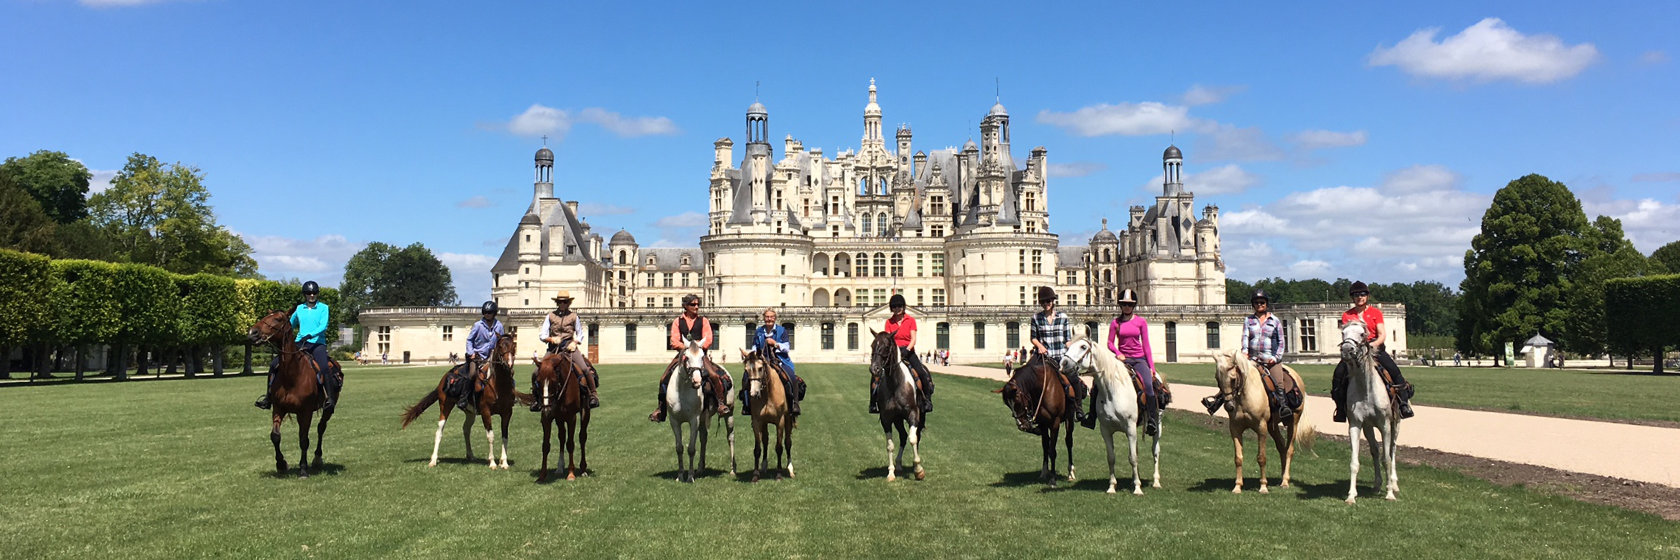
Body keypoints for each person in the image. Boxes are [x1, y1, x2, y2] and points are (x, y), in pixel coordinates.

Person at [1204, 289, 1298, 421]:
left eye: (1262, 302)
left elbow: (1281, 342)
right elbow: (1245, 338)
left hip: (1270, 360)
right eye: (1256, 302)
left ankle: (1283, 407)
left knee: (1278, 382)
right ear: (1253, 304)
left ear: (1266, 304)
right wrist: (1245, 353)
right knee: (1233, 378)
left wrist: (1275, 358)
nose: (1259, 304)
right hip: (1253, 360)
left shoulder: (1275, 321)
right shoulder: (1248, 320)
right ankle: (1217, 401)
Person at [1332, 281, 1415, 421]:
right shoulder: (1347, 315)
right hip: (1355, 352)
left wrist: (1372, 345)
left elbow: (1382, 335)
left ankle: (1403, 405)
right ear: (1352, 297)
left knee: (1394, 371)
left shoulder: (1375, 313)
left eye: (1362, 294)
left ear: (1367, 296)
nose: (1360, 297)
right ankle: (1340, 408)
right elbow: (1347, 335)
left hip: (1375, 350)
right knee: (1338, 375)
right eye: (1356, 295)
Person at [255, 281, 336, 410]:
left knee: (324, 367)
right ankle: (268, 398)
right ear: (305, 294)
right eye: (308, 293)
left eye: (314, 293)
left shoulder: (324, 308)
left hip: (317, 343)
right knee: (274, 364)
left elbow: (323, 326)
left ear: (317, 293)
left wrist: (310, 335)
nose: (311, 295)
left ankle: (329, 399)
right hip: (300, 343)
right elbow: (289, 325)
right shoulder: (299, 309)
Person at [649, 294, 730, 422]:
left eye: (698, 304)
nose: (696, 307)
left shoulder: (703, 321)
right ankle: (661, 409)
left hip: (700, 355)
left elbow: (708, 339)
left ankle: (720, 403)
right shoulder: (677, 321)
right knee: (663, 378)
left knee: (714, 375)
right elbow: (674, 341)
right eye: (693, 304)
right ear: (685, 306)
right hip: (683, 354)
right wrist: (687, 348)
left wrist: (696, 347)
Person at [1106, 288, 1166, 435]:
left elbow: (1146, 345)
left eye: (1130, 304)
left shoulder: (1141, 322)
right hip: (1123, 360)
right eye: (1124, 304)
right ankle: (1094, 415)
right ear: (1120, 305)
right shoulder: (1115, 323)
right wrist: (1118, 353)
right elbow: (1110, 343)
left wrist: (1151, 367)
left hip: (1139, 359)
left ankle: (1151, 419)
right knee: (1101, 382)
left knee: (1148, 386)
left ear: (1134, 305)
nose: (1127, 307)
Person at [531, 290, 600, 412]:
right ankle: (536, 399)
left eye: (565, 302)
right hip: (553, 349)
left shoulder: (574, 316)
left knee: (584, 369)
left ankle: (593, 395)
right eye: (560, 302)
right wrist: (551, 339)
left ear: (568, 303)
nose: (562, 304)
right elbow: (542, 335)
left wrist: (575, 342)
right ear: (557, 303)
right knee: (537, 371)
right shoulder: (550, 316)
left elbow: (580, 334)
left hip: (569, 347)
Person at [1028, 286, 1087, 426]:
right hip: (1045, 357)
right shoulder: (1036, 318)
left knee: (1074, 379)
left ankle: (1078, 408)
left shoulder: (1063, 317)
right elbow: (1033, 338)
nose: (1046, 304)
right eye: (1043, 302)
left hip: (1060, 356)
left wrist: (1073, 349)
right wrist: (1040, 346)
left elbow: (1067, 339)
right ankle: (1031, 412)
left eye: (1048, 301)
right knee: (1028, 377)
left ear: (1053, 301)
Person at [871, 294, 934, 415]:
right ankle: (873, 403)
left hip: (908, 351)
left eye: (899, 306)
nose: (897, 309)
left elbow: (913, 339)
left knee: (921, 372)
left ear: (903, 307)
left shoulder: (910, 320)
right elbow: (887, 340)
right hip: (894, 352)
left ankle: (927, 400)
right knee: (876, 375)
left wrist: (907, 350)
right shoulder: (889, 322)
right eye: (894, 307)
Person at [747, 308, 801, 416]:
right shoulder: (759, 331)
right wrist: (752, 354)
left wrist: (775, 343)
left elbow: (786, 347)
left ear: (775, 318)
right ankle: (747, 405)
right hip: (762, 361)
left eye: (771, 317)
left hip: (779, 361)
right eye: (767, 317)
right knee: (746, 377)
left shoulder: (782, 330)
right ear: (764, 318)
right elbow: (755, 346)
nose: (769, 319)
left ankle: (795, 404)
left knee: (791, 378)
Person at [462, 301, 504, 411]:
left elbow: (502, 342)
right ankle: (464, 398)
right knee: (472, 374)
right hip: (478, 356)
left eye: (489, 313)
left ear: (494, 313)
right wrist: (471, 353)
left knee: (507, 373)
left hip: (492, 358)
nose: (487, 314)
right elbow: (469, 340)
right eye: (485, 312)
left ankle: (511, 396)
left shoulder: (499, 326)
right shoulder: (478, 325)